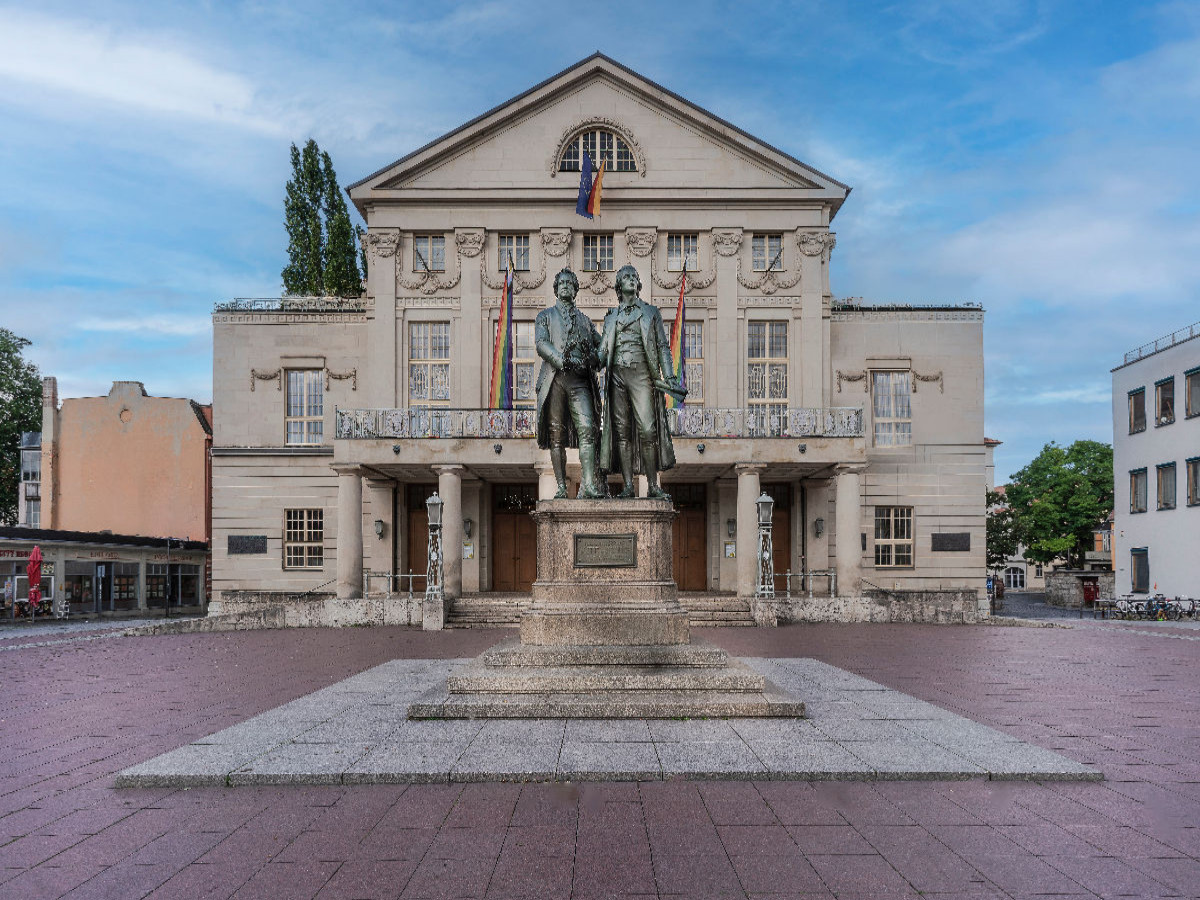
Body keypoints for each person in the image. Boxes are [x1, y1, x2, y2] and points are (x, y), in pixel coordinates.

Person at [598, 264, 685, 499]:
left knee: (648, 430)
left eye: (634, 277)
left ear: (638, 284)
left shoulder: (650, 312)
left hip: (642, 375)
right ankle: (627, 486)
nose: (631, 279)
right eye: (626, 277)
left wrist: (670, 377)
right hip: (617, 376)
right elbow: (602, 352)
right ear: (619, 286)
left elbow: (662, 348)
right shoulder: (611, 316)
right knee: (622, 432)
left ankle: (652, 486)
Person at [534, 268, 605, 498]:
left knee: (587, 429)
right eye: (561, 283)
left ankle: (589, 485)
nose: (565, 286)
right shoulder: (544, 316)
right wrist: (561, 359)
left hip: (579, 381)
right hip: (555, 379)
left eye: (569, 283)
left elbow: (602, 348)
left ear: (575, 290)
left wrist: (595, 358)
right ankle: (562, 487)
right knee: (557, 435)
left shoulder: (585, 321)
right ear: (556, 289)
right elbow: (541, 344)